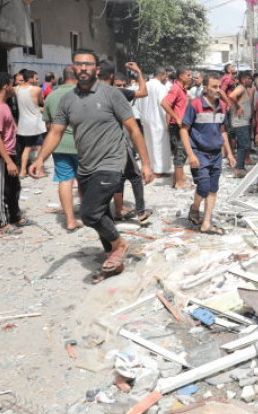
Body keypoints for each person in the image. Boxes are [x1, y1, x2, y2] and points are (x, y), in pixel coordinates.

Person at [30, 49, 155, 282]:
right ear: (73, 68)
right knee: (101, 213)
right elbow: (56, 131)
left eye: (88, 64)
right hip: (85, 164)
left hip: (111, 162)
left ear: (96, 69)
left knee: (89, 213)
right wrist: (39, 159)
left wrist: (145, 164)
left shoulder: (112, 94)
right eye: (79, 64)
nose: (84, 68)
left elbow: (133, 130)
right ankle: (112, 262)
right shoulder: (67, 99)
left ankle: (119, 244)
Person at [180, 74, 234, 234]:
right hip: (199, 153)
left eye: (219, 87)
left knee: (213, 189)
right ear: (205, 88)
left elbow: (223, 131)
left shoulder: (222, 107)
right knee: (203, 187)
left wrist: (229, 154)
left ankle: (206, 223)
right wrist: (191, 155)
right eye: (214, 87)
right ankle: (195, 208)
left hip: (216, 154)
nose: (218, 90)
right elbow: (184, 130)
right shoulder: (195, 105)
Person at [101, 61, 151, 223]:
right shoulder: (118, 94)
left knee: (119, 176)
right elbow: (143, 92)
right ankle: (141, 211)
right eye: (118, 84)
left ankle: (117, 210)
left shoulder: (91, 93)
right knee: (135, 176)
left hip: (101, 144)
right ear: (111, 77)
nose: (120, 87)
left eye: (123, 85)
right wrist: (139, 72)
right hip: (118, 142)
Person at [0, 72, 27, 235]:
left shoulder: (3, 104)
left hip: (9, 152)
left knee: (14, 187)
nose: (14, 88)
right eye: (12, 84)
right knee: (0, 189)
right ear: (5, 86)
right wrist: (8, 161)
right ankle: (3, 222)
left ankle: (15, 216)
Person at [43, 67, 83, 231]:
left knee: (65, 180)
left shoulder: (51, 96)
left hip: (59, 145)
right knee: (85, 179)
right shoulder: (84, 95)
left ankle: (70, 219)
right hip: (83, 145)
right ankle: (88, 213)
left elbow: (48, 125)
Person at [161, 68, 194, 189]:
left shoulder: (182, 88)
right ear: (180, 76)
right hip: (177, 125)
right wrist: (176, 118)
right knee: (180, 152)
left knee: (183, 151)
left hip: (180, 125)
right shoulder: (175, 88)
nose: (190, 77)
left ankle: (179, 177)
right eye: (188, 75)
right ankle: (179, 183)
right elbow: (164, 103)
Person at [140, 66, 173, 180]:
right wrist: (168, 121)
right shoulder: (160, 87)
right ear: (163, 74)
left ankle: (152, 168)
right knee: (159, 145)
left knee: (150, 145)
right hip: (158, 121)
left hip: (147, 120)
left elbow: (140, 103)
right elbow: (164, 104)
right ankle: (159, 170)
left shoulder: (145, 85)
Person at [15, 69, 46, 176]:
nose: (36, 80)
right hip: (36, 122)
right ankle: (40, 170)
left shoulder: (16, 89)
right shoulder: (37, 89)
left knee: (27, 148)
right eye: (35, 78)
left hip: (23, 123)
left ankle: (23, 171)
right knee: (40, 147)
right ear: (31, 78)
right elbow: (41, 103)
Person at [228, 71, 255, 178]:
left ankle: (240, 167)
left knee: (242, 145)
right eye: (249, 78)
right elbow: (232, 96)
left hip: (243, 122)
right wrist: (238, 107)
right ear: (244, 79)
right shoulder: (241, 88)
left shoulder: (244, 89)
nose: (251, 80)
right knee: (243, 146)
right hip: (240, 122)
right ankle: (239, 168)